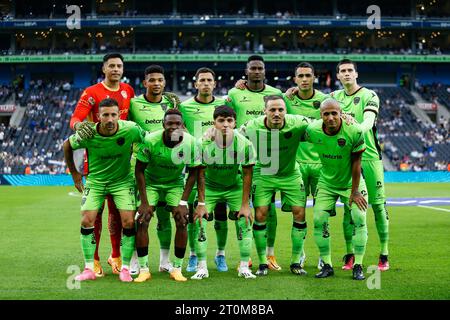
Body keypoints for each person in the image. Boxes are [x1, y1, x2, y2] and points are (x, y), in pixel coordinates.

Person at [63, 98, 146, 282]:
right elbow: (67, 145)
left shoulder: (131, 129)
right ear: (98, 116)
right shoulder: (88, 133)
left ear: (119, 115)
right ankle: (89, 268)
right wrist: (75, 174)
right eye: (105, 115)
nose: (110, 119)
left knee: (128, 222)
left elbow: (149, 140)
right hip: (96, 182)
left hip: (122, 182)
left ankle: (124, 268)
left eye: (113, 115)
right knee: (87, 220)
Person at [69, 53, 135, 277]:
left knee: (118, 213)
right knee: (95, 214)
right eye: (112, 66)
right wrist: (80, 128)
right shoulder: (91, 92)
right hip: (96, 160)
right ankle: (94, 260)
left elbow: (133, 122)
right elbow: (75, 119)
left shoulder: (128, 90)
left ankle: (116, 256)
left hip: (122, 161)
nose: (116, 69)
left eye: (119, 66)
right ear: (104, 69)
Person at [240, 95, 310, 276]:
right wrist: (211, 133)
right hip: (263, 175)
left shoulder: (298, 122)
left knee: (299, 212)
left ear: (286, 111)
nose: (277, 113)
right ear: (265, 111)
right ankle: (263, 262)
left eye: (280, 109)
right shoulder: (251, 126)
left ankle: (296, 262)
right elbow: (232, 136)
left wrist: (344, 118)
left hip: (290, 174)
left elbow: (322, 124)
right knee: (261, 213)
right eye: (272, 110)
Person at [331, 59, 389, 271]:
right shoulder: (333, 98)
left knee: (378, 207)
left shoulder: (369, 95)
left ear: (356, 74)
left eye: (350, 70)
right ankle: (350, 255)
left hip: (370, 158)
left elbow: (367, 124)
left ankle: (384, 253)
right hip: (346, 159)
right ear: (338, 76)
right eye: (342, 71)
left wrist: (353, 125)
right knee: (349, 209)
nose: (346, 74)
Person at [227, 55, 283, 271]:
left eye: (260, 68)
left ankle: (270, 253)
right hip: (241, 158)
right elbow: (226, 118)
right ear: (246, 71)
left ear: (265, 71)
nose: (257, 71)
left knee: (268, 208)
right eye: (253, 68)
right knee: (243, 208)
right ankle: (247, 255)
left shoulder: (275, 95)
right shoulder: (234, 93)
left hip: (269, 157)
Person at [134, 109, 202, 282]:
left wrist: (183, 201)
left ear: (183, 126)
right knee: (143, 218)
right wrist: (144, 201)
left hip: (174, 184)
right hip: (151, 183)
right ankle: (144, 269)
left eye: (177, 124)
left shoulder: (191, 143)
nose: (173, 127)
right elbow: (139, 171)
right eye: (169, 123)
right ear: (163, 124)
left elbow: (193, 173)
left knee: (182, 218)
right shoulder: (150, 141)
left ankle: (177, 269)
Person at [305, 98, 368, 280]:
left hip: (351, 183)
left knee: (359, 217)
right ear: (321, 115)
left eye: (334, 113)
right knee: (318, 219)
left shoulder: (354, 131)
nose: (331, 117)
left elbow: (357, 163)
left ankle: (358, 265)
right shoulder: (312, 130)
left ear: (341, 113)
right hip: (326, 183)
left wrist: (355, 191)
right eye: (326, 114)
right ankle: (327, 265)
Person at [193, 106, 256, 280]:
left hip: (234, 187)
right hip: (210, 188)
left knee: (244, 220)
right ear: (214, 123)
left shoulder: (244, 144)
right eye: (221, 121)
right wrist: (202, 203)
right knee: (200, 220)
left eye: (229, 121)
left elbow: (247, 174)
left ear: (235, 123)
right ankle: (202, 267)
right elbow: (200, 174)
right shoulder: (203, 143)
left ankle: (244, 267)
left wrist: (245, 204)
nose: (225, 124)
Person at [128, 65, 180, 275]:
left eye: (160, 80)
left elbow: (180, 129)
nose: (156, 83)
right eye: (152, 80)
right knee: (137, 215)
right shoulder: (133, 104)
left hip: (166, 167)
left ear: (164, 82)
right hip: (140, 165)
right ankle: (133, 260)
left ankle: (165, 261)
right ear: (145, 82)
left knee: (164, 217)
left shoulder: (172, 103)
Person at [178, 67, 227, 273]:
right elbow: (180, 131)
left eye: (210, 80)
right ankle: (193, 255)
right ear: (195, 84)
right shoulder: (185, 107)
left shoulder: (224, 105)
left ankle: (221, 254)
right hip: (194, 166)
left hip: (219, 166)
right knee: (193, 213)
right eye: (202, 80)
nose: (206, 83)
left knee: (221, 212)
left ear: (215, 83)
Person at [283, 62, 329, 268]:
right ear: (294, 79)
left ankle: (323, 255)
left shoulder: (325, 101)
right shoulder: (287, 99)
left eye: (307, 75)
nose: (304, 79)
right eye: (300, 76)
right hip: (297, 165)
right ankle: (299, 254)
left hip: (322, 165)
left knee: (322, 215)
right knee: (297, 212)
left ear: (314, 77)